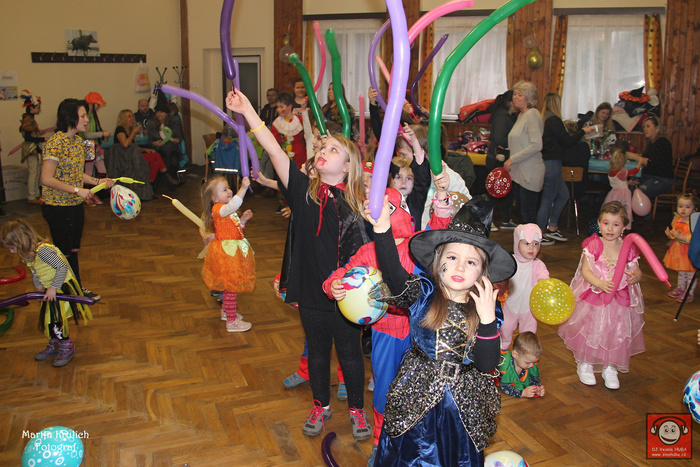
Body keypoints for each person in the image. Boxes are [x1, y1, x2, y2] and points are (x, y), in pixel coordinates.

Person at [226, 88, 372, 441]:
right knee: (318, 352)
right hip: (310, 291)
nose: (323, 152)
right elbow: (275, 150)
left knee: (350, 355)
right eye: (322, 148)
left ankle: (356, 408)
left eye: (333, 150)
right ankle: (320, 405)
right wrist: (248, 111)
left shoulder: (359, 205)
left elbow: (367, 254)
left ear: (348, 166)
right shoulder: (302, 191)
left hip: (347, 294)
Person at [367, 197, 516, 466]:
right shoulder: (424, 293)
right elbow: (394, 276)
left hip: (462, 406)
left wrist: (486, 320)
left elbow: (487, 364)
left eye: (471, 262)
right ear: (438, 261)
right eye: (452, 257)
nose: (459, 267)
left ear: (483, 272)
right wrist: (382, 230)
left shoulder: (486, 307)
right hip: (417, 393)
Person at [324, 187, 451, 465]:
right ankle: (381, 444)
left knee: (422, 392)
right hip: (385, 334)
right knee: (384, 392)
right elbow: (344, 272)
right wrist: (333, 285)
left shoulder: (419, 244)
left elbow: (440, 226)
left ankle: (418, 443)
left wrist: (442, 194)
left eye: (388, 208)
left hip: (422, 334)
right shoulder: (369, 251)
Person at [558, 201, 644, 389]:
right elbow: (586, 271)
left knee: (615, 332)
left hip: (619, 300)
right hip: (595, 296)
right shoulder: (594, 245)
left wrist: (635, 277)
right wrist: (600, 283)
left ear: (624, 227)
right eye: (606, 223)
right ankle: (585, 363)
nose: (610, 229)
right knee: (592, 329)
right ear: (599, 223)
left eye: (616, 224)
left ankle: (610, 366)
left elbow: (637, 270)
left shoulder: (627, 247)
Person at [41, 98, 115, 301]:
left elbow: (75, 173)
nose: (87, 120)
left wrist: (97, 181)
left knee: (72, 250)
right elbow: (46, 178)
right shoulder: (55, 143)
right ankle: (67, 293)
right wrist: (77, 190)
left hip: (74, 204)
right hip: (57, 207)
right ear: (70, 118)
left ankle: (76, 289)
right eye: (83, 116)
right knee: (63, 252)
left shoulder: (78, 142)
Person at [0, 219, 92, 367]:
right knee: (49, 319)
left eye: (12, 247)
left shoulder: (43, 251)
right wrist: (39, 288)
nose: (12, 251)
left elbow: (62, 267)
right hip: (49, 288)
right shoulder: (28, 254)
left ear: (22, 240)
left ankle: (67, 346)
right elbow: (35, 271)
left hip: (60, 287)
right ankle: (55, 343)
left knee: (56, 320)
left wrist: (53, 288)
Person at [200, 175, 255, 332]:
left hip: (232, 251)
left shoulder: (227, 211)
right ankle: (232, 322)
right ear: (215, 198)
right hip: (227, 254)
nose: (229, 191)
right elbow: (234, 204)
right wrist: (243, 188)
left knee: (229, 285)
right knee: (232, 286)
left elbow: (234, 229)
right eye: (224, 190)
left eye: (229, 188)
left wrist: (243, 220)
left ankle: (226, 312)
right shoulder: (219, 209)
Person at [536, 93, 593, 243]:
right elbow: (567, 141)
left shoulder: (543, 119)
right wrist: (583, 132)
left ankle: (552, 227)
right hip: (552, 163)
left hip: (548, 162)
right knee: (547, 200)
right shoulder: (554, 120)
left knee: (564, 195)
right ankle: (539, 234)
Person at [501, 224, 550, 351]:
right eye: (526, 243)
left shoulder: (538, 264)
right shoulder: (510, 262)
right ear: (517, 243)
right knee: (505, 328)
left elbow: (543, 275)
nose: (531, 248)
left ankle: (525, 352)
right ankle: (502, 348)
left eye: (535, 244)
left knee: (528, 333)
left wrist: (543, 282)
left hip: (529, 308)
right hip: (510, 304)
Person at [504, 81, 544, 225]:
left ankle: (533, 239)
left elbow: (536, 145)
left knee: (528, 216)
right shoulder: (522, 115)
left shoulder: (532, 114)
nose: (515, 97)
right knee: (522, 213)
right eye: (515, 94)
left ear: (529, 98)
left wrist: (512, 159)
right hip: (520, 172)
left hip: (530, 172)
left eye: (520, 95)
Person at [626, 116, 674, 222]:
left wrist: (634, 156)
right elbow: (645, 159)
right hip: (649, 177)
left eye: (648, 126)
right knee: (629, 185)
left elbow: (651, 162)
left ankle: (647, 221)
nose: (645, 129)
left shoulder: (662, 142)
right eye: (644, 127)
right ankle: (630, 219)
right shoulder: (652, 143)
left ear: (657, 128)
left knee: (640, 192)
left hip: (662, 179)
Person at [486, 90, 518, 229]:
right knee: (494, 191)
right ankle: (490, 221)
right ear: (511, 103)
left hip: (502, 159)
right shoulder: (502, 117)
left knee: (506, 191)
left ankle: (505, 219)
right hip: (497, 160)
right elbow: (499, 138)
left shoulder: (506, 116)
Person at [664, 194, 699, 302]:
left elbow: (693, 239)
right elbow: (675, 234)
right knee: (681, 271)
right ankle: (681, 288)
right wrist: (670, 234)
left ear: (695, 209)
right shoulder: (677, 219)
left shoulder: (693, 222)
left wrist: (680, 236)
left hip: (689, 251)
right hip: (678, 250)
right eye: (680, 206)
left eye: (687, 207)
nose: (683, 209)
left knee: (690, 273)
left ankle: (689, 292)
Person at [602, 149, 643, 230]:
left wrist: (628, 183)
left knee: (614, 210)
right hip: (623, 194)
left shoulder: (611, 173)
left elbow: (619, 182)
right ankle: (623, 225)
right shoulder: (622, 172)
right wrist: (640, 162)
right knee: (624, 209)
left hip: (614, 193)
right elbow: (634, 171)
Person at [19, 90, 47, 204]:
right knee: (33, 172)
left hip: (34, 148)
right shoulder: (28, 120)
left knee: (36, 172)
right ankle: (31, 196)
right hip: (30, 148)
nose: (39, 109)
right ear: (31, 108)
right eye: (37, 107)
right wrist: (43, 139)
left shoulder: (30, 119)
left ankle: (35, 193)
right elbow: (28, 137)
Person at [498, 331, 545, 398]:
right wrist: (522, 393)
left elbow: (534, 380)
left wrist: (537, 389)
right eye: (528, 363)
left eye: (534, 362)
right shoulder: (505, 367)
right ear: (515, 354)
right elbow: (504, 386)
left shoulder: (529, 364)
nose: (531, 365)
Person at [147, 93, 183, 178]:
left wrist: (176, 140)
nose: (159, 114)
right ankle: (164, 179)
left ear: (166, 113)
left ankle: (173, 178)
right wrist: (155, 143)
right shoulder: (151, 124)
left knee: (174, 160)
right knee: (162, 158)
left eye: (162, 112)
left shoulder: (174, 122)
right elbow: (150, 141)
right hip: (159, 148)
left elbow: (179, 138)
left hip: (172, 147)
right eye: (157, 112)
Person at [270, 92, 307, 170]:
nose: (278, 110)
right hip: (285, 157)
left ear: (289, 106)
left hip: (302, 156)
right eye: (277, 107)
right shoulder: (277, 123)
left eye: (281, 107)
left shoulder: (300, 119)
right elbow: (274, 142)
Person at [82, 92, 110, 185]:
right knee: (89, 172)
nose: (99, 107)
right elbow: (87, 135)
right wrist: (101, 134)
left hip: (94, 145)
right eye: (98, 104)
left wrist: (100, 132)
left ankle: (97, 190)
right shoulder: (87, 116)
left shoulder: (92, 115)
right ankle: (88, 191)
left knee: (102, 171)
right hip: (88, 145)